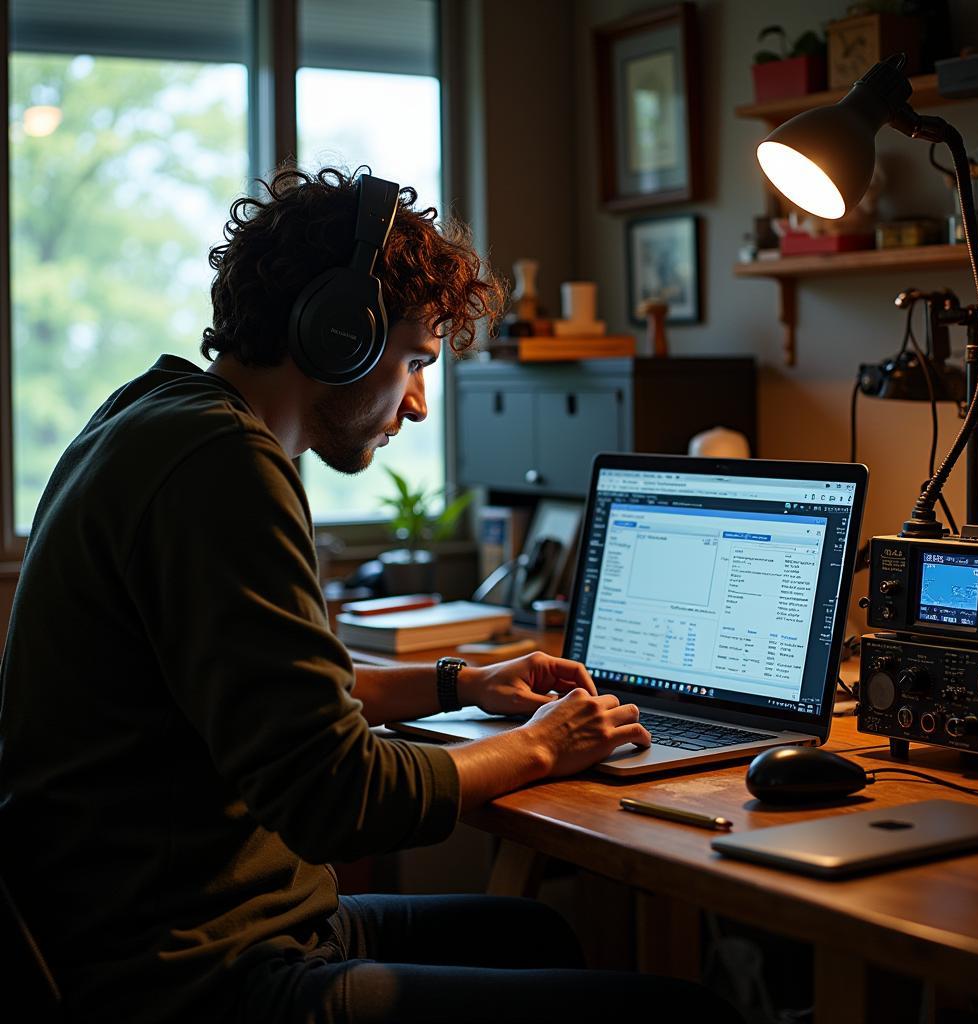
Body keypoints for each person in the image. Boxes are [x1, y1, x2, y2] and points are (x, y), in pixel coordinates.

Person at [0, 166, 742, 1024]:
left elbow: (280, 692)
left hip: (191, 929)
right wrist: (544, 746)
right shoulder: (223, 468)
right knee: (690, 1014)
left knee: (534, 935)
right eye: (417, 361)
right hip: (197, 977)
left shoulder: (158, 412)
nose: (420, 404)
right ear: (339, 336)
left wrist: (460, 683)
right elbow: (337, 796)